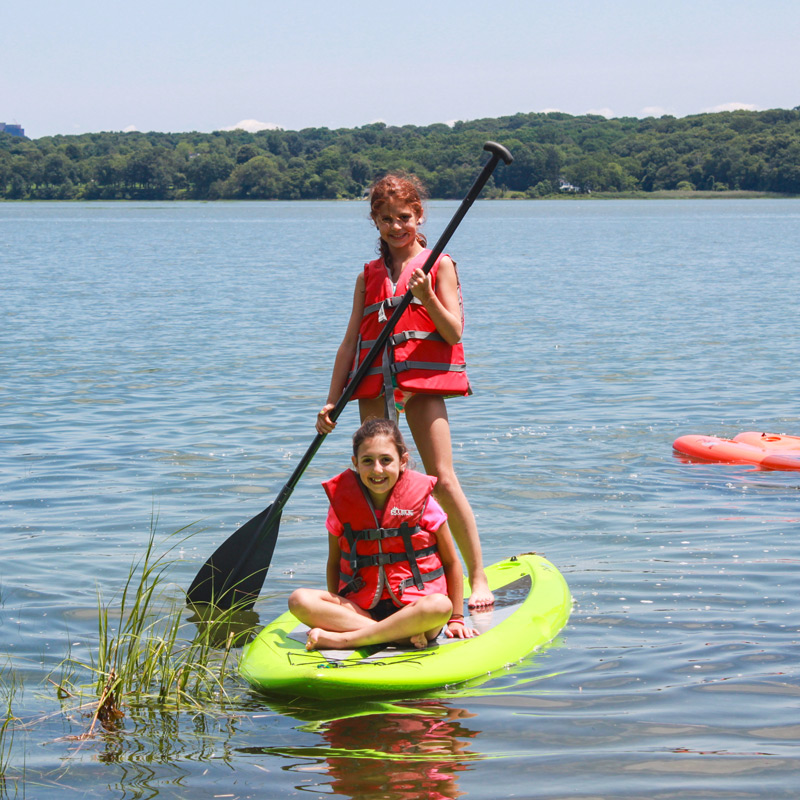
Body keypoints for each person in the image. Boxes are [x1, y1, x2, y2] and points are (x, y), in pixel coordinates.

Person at [315, 172, 494, 608]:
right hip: (376, 386)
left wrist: (427, 297)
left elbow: (453, 333)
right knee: (375, 483)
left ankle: (478, 577)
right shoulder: (368, 275)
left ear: (419, 215)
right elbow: (350, 342)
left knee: (444, 480)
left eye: (404, 217)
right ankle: (377, 583)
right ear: (375, 222)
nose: (397, 227)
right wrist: (332, 400)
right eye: (386, 219)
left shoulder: (439, 265)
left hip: (421, 383)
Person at [289, 418, 478, 650]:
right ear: (355, 463)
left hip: (416, 609)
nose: (377, 469)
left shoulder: (425, 505)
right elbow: (335, 563)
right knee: (299, 600)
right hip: (363, 610)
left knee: (440, 606)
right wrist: (337, 610)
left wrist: (456, 618)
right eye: (367, 461)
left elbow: (451, 562)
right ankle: (396, 636)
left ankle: (347, 639)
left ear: (403, 462)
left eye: (386, 460)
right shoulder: (341, 507)